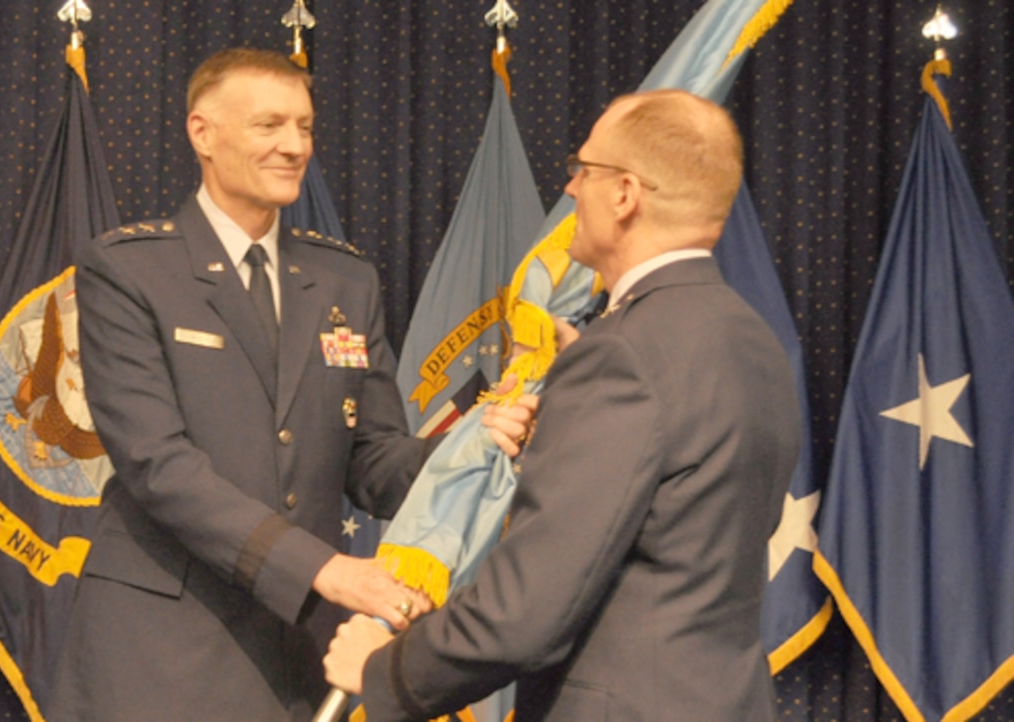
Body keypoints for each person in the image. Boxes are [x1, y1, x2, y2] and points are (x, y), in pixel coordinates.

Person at [47, 48, 530, 721]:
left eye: (304, 127)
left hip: (292, 653)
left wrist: (472, 446)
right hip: (160, 650)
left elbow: (374, 458)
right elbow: (159, 466)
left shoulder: (345, 280)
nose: (294, 146)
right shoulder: (130, 269)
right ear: (202, 132)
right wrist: (325, 571)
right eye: (269, 126)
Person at [323, 88, 802, 721]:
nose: (572, 190)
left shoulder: (620, 354)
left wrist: (385, 670)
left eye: (584, 170)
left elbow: (526, 612)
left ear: (626, 193)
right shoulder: (753, 338)